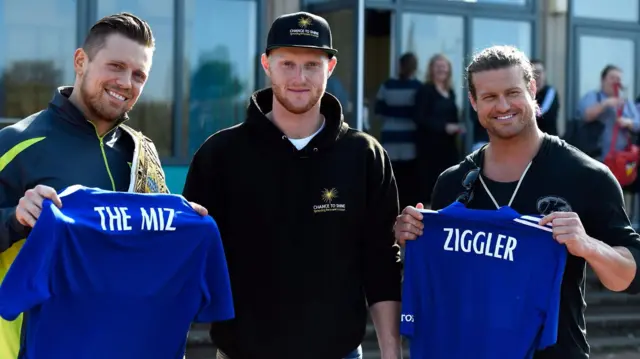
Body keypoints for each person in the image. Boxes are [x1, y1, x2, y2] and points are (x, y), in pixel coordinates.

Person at [393, 45, 640, 359]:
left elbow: (630, 277)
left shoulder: (587, 176)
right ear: (473, 101)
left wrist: (588, 244)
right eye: (489, 97)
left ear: (532, 89)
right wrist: (412, 238)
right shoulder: (452, 183)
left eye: (512, 92)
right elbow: (444, 285)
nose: (503, 106)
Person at [183, 11, 402, 359]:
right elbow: (189, 262)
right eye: (287, 64)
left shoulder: (364, 156)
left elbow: (382, 263)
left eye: (312, 65)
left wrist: (391, 352)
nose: (300, 78)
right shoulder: (220, 155)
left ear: (330, 67)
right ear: (266, 64)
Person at [0, 12, 207, 358]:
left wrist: (183, 223)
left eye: (139, 75)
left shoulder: (143, 152)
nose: (126, 82)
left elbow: (150, 256)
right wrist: (15, 219)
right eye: (116, 66)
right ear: (81, 61)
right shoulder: (14, 144)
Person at [375, 52, 422, 209]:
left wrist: (393, 112)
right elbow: (419, 114)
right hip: (409, 140)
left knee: (392, 181)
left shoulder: (387, 85)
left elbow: (378, 111)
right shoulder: (418, 88)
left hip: (391, 138)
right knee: (408, 183)